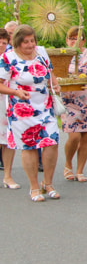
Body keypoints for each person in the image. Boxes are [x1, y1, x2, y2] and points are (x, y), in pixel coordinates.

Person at [0, 25, 61, 202]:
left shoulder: (41, 53)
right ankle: (34, 187)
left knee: (52, 142)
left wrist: (54, 84)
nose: (29, 45)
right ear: (17, 42)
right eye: (25, 42)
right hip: (21, 109)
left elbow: (50, 73)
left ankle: (47, 183)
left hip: (44, 105)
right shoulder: (8, 58)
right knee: (30, 146)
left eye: (32, 41)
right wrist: (16, 92)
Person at [60, 27, 87, 182]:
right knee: (74, 135)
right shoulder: (63, 54)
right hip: (69, 99)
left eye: (78, 38)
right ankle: (68, 164)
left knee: (86, 136)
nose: (74, 41)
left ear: (84, 40)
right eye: (71, 38)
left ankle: (80, 170)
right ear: (66, 40)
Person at [0, 28, 20, 189]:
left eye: (4, 43)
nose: (1, 45)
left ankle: (7, 175)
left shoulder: (8, 59)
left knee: (7, 140)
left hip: (6, 103)